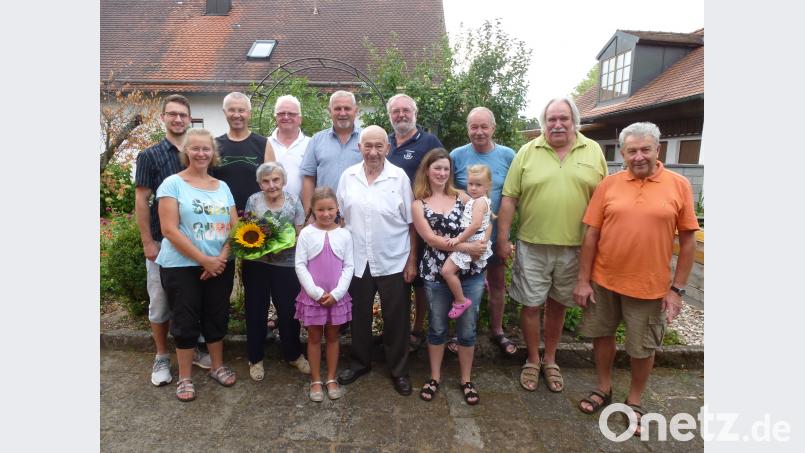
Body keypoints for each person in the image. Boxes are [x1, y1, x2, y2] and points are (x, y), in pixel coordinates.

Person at [573, 122, 699, 436]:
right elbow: (592, 234)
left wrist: (677, 290)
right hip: (604, 281)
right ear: (624, 153)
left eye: (645, 149)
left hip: (649, 287)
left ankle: (634, 400)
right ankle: (604, 388)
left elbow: (687, 243)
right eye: (632, 150)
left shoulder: (678, 185)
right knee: (602, 337)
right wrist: (583, 280)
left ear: (658, 150)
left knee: (642, 348)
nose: (639, 156)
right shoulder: (609, 184)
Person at [497, 96, 607, 393]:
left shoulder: (593, 150)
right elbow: (509, 198)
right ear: (543, 123)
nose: (557, 124)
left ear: (574, 121)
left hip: (575, 248)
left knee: (558, 306)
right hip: (532, 245)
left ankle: (551, 359)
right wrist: (503, 238)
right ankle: (533, 359)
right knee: (531, 305)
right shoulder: (527, 151)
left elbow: (604, 201)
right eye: (551, 119)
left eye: (563, 119)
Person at [154, 128, 239, 402]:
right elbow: (169, 229)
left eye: (206, 149)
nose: (201, 153)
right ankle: (185, 377)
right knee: (185, 321)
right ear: (186, 152)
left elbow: (236, 228)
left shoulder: (222, 187)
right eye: (196, 148)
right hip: (181, 266)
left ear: (213, 153)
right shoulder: (172, 184)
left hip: (219, 264)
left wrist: (220, 258)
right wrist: (204, 260)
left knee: (216, 315)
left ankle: (216, 367)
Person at [134, 94, 210, 387]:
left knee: (193, 301)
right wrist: (147, 242)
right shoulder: (150, 156)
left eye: (183, 115)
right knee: (161, 302)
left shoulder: (198, 153)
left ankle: (196, 346)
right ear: (163, 118)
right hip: (162, 243)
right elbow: (142, 200)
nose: (178, 119)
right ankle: (162, 355)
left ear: (190, 119)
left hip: (198, 245)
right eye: (173, 114)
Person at [335, 125, 416, 396]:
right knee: (359, 316)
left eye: (378, 146)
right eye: (367, 146)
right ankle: (360, 363)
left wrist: (412, 260)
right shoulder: (348, 177)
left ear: (387, 148)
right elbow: (342, 217)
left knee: (396, 318)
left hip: (393, 258)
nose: (373, 152)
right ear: (359, 148)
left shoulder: (399, 178)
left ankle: (399, 370)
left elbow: (411, 223)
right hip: (358, 260)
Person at [411, 149, 489, 405]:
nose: (442, 173)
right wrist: (468, 247)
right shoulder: (418, 204)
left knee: (467, 330)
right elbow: (431, 240)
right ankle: (435, 377)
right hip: (436, 273)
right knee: (437, 328)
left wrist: (485, 242)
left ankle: (466, 379)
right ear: (427, 171)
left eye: (446, 169)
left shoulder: (464, 196)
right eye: (437, 168)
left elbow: (485, 220)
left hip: (470, 273)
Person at [450, 107, 517, 356]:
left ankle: (497, 331)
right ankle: (461, 332)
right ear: (468, 129)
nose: (479, 132)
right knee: (465, 283)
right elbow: (445, 187)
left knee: (497, 283)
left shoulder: (508, 156)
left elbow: (514, 194)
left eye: (484, 127)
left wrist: (505, 237)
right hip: (467, 237)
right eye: (474, 127)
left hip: (497, 233)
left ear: (493, 128)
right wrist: (469, 198)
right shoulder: (457, 156)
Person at [384, 93, 444, 351]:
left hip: (422, 223)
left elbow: (443, 171)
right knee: (396, 278)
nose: (401, 115)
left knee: (419, 278)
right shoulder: (385, 143)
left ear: (415, 113)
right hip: (391, 224)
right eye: (396, 111)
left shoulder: (428, 141)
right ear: (390, 116)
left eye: (406, 110)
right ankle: (395, 330)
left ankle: (418, 329)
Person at [242, 162, 310, 382]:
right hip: (257, 264)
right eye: (266, 181)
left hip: (287, 264)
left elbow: (300, 232)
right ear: (260, 183)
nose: (271, 185)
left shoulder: (293, 201)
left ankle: (293, 354)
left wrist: (285, 243)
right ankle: (255, 357)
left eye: (275, 180)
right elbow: (248, 231)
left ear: (284, 181)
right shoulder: (253, 200)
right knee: (255, 310)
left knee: (289, 310)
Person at [294, 187, 355, 401]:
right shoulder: (307, 234)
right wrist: (315, 292)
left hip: (336, 297)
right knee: (313, 337)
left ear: (337, 208)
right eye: (321, 210)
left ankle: (331, 377)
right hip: (314, 298)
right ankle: (316, 379)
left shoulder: (345, 234)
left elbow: (349, 266)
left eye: (330, 209)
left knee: (332, 336)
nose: (326, 214)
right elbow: (300, 265)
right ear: (313, 210)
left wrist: (338, 293)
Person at [441, 164, 493, 319]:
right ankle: (482, 278)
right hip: (476, 238)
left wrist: (458, 239)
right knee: (470, 263)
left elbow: (475, 225)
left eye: (478, 185)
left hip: (471, 239)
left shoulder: (479, 202)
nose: (474, 188)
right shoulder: (479, 200)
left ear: (487, 186)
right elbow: (487, 220)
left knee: (447, 271)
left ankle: (460, 300)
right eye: (471, 184)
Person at [300, 90, 362, 215]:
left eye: (347, 108)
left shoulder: (366, 139)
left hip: (358, 213)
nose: (342, 113)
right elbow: (308, 179)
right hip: (324, 215)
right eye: (337, 108)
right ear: (330, 112)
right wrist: (309, 215)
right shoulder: (317, 140)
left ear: (355, 111)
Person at [213, 91, 276, 212]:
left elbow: (272, 182)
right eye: (231, 110)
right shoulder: (215, 145)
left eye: (241, 110)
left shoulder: (263, 144)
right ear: (224, 112)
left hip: (256, 216)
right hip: (221, 214)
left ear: (249, 113)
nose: (236, 115)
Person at [268, 95, 310, 199]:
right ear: (275, 117)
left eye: (291, 114)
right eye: (281, 113)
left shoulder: (311, 144)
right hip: (271, 211)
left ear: (300, 119)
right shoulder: (265, 144)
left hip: (303, 211)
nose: (286, 117)